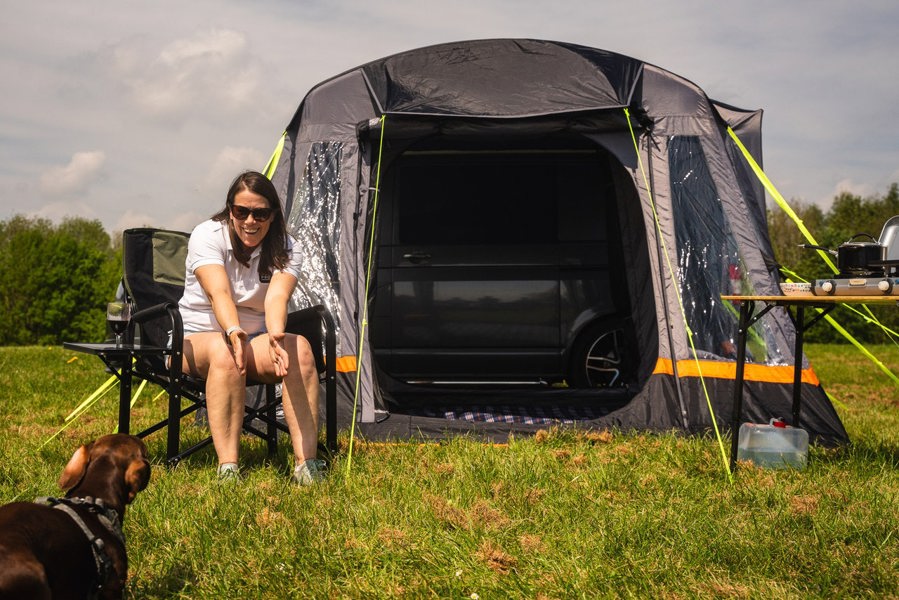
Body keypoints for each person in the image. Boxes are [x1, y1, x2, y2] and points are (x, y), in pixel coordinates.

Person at [178, 170, 323, 484]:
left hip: (254, 338)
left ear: (273, 216)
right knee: (225, 351)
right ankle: (228, 466)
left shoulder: (287, 246)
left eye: (260, 213)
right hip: (197, 338)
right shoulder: (206, 234)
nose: (249, 221)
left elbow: (276, 299)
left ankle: (306, 464)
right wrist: (232, 330)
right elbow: (219, 293)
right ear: (230, 210)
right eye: (241, 211)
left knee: (299, 350)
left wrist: (275, 335)